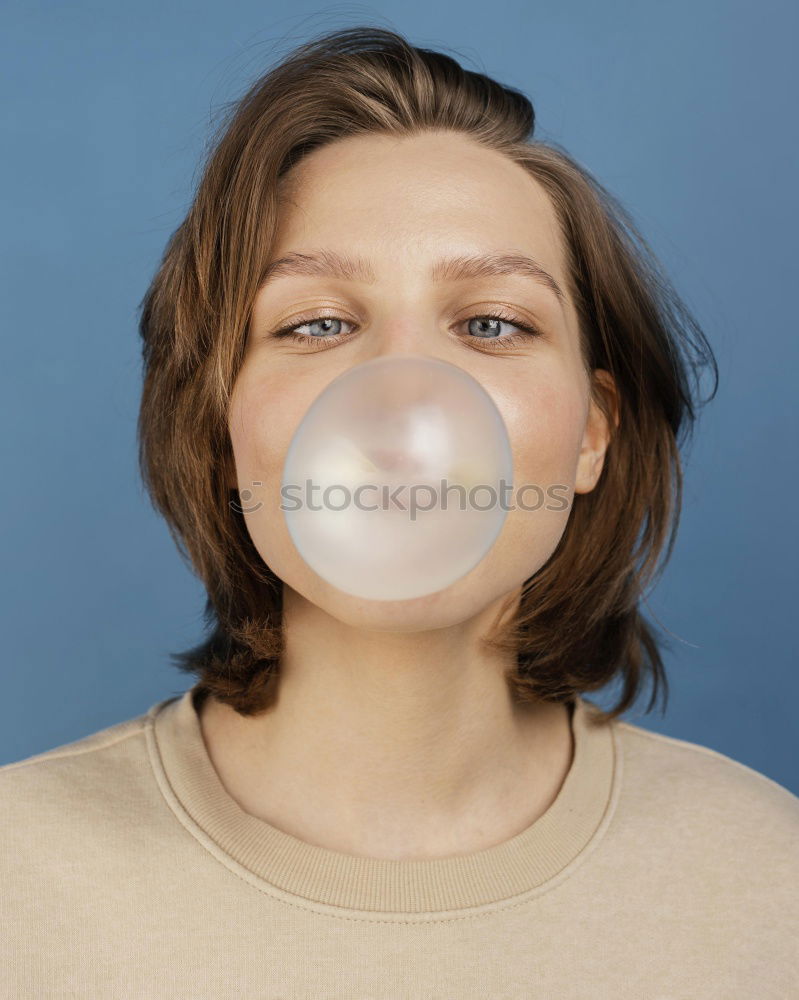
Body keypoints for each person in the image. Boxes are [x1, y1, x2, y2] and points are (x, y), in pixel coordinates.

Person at [2, 25, 797, 998]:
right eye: (319, 323)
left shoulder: (766, 885)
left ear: (591, 433)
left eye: (491, 322)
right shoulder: (20, 883)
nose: (403, 397)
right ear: (221, 431)